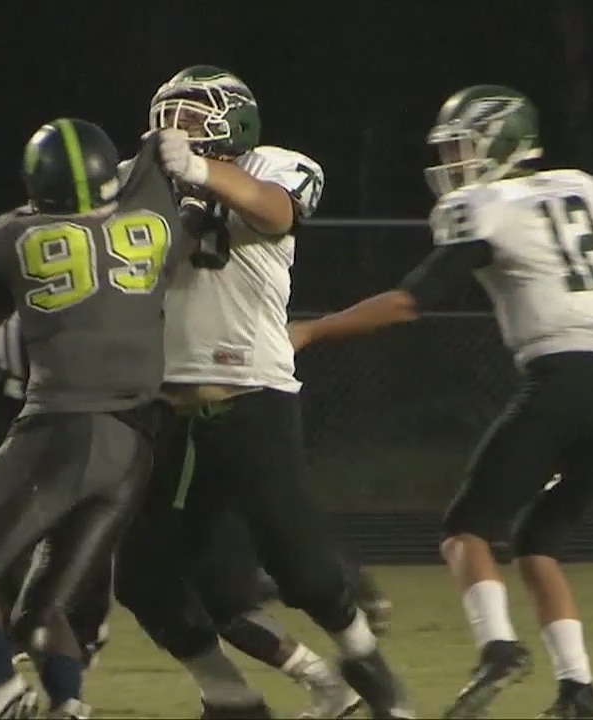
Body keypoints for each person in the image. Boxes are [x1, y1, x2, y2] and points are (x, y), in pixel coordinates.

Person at [286, 85, 593, 720]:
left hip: (562, 380)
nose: (452, 162)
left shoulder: (486, 208)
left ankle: (498, 649)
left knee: (466, 531)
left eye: (462, 147)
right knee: (538, 542)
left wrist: (312, 331)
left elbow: (409, 302)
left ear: (504, 142)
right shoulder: (572, 190)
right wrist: (570, 300)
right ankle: (578, 690)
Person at [113, 65, 411, 720]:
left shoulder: (273, 165)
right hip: (166, 409)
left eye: (193, 117)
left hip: (250, 392)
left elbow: (274, 212)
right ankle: (231, 699)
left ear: (235, 122)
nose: (176, 130)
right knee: (142, 576)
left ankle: (372, 673)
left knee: (301, 567)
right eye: (169, 117)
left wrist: (200, 172)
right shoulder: (138, 183)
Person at [0, 118, 193, 720]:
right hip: (136, 444)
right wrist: (160, 146)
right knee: (41, 608)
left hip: (63, 428)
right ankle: (69, 705)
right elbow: (155, 163)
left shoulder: (11, 237)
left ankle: (2, 688)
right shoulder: (154, 216)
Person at [0, 291, 111, 668]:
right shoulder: (8, 258)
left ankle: (83, 628)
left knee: (75, 519)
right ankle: (16, 624)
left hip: (75, 402)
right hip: (15, 399)